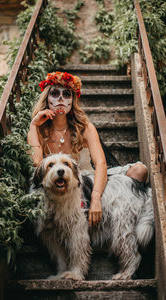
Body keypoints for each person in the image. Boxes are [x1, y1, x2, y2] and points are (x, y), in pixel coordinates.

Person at [27, 71, 148, 227]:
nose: (61, 99)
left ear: (72, 100)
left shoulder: (85, 128)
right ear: (47, 99)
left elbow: (101, 164)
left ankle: (124, 223)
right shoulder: (38, 130)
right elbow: (37, 162)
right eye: (55, 94)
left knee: (140, 170)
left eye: (67, 94)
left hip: (89, 182)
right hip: (61, 190)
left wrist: (96, 198)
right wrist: (33, 125)